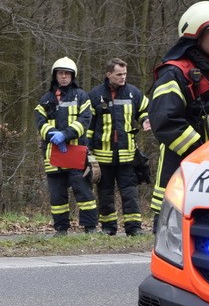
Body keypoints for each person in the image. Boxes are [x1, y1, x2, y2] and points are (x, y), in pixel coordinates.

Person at [148, 1, 209, 227]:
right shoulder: (174, 74)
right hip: (182, 172)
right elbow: (165, 123)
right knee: (175, 248)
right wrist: (201, 152)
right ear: (196, 37)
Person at [34, 57, 98, 236]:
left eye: (67, 74)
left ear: (72, 76)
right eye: (60, 73)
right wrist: (52, 135)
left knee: (84, 192)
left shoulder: (81, 96)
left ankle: (90, 227)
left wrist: (66, 135)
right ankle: (61, 229)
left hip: (76, 153)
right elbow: (40, 122)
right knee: (57, 196)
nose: (63, 76)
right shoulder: (45, 100)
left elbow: (85, 120)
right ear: (55, 76)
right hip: (53, 154)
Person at [86, 58, 151, 236]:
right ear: (109, 75)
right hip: (102, 155)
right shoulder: (95, 95)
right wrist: (87, 150)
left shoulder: (133, 93)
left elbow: (145, 109)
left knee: (130, 194)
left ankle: (134, 228)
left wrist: (146, 119)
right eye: (119, 74)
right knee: (105, 194)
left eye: (125, 74)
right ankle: (108, 228)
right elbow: (88, 125)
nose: (123, 77)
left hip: (127, 155)